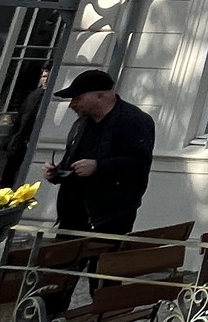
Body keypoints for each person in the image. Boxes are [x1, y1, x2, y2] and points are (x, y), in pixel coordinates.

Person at [47, 69, 154, 235]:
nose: (72, 104)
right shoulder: (81, 124)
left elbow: (139, 163)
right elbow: (73, 161)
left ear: (100, 96)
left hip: (110, 216)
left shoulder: (133, 121)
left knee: (100, 252)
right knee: (64, 251)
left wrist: (98, 166)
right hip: (73, 213)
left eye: (77, 98)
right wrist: (57, 172)